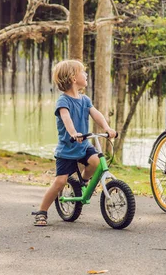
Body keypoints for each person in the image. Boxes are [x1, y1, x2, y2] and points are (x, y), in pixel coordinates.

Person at [32, 59, 116, 226]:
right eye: (82, 72)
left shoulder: (85, 100)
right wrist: (73, 133)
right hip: (68, 148)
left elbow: (96, 114)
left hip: (84, 145)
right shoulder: (63, 101)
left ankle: (82, 182)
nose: (86, 75)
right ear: (72, 78)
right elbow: (66, 117)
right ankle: (42, 211)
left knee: (95, 162)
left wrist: (107, 127)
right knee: (60, 182)